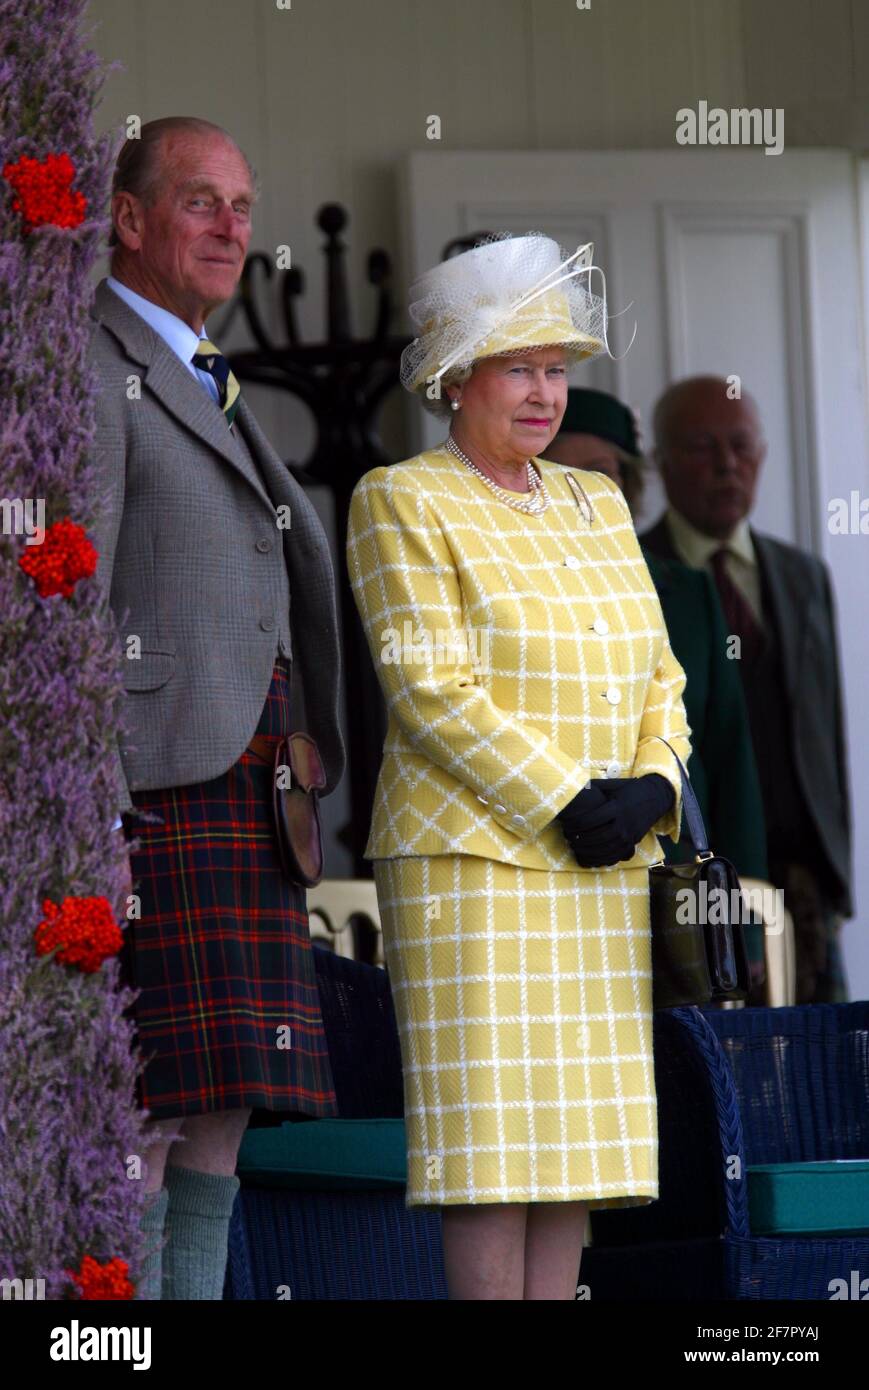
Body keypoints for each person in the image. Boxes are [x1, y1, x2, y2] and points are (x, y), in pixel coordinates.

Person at [346, 234, 691, 1300]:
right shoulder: (401, 497)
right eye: (517, 367)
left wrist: (655, 786)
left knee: (573, 1164)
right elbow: (429, 687)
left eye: (555, 367)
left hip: (599, 865)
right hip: (473, 870)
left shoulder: (593, 504)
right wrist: (569, 796)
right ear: (456, 377)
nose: (544, 393)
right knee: (493, 1160)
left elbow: (659, 673)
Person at [88, 116, 345, 1299]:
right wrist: (78, 808)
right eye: (200, 201)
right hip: (152, 784)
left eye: (242, 206)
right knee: (140, 1116)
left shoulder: (207, 369)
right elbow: (59, 597)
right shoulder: (87, 363)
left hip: (255, 791)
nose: (232, 227)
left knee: (218, 1124)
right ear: (128, 220)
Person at [546, 388, 769, 990]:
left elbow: (727, 760)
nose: (597, 489)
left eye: (611, 473)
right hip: (550, 889)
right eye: (576, 472)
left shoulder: (687, 591)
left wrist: (744, 926)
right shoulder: (513, 590)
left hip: (672, 909)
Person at [640, 375, 852, 1003]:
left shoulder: (801, 576)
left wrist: (835, 877)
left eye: (742, 446)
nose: (726, 465)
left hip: (801, 887)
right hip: (686, 881)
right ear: (662, 462)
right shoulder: (632, 571)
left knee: (816, 1083)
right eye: (703, 446)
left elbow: (825, 732)